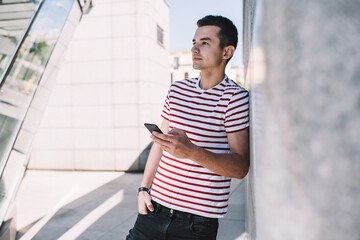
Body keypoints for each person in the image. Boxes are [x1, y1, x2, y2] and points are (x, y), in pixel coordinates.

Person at [126, 15, 250, 240]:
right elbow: (159, 143)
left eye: (205, 42)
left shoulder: (235, 98)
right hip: (153, 210)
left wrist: (191, 151)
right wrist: (144, 189)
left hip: (197, 223)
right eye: (194, 42)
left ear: (226, 52)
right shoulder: (177, 90)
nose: (195, 48)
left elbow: (240, 166)